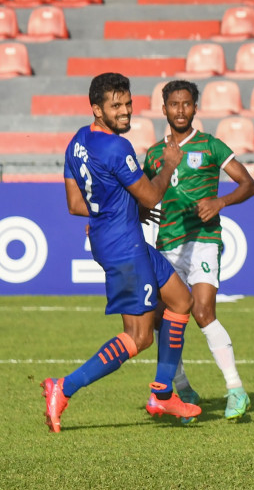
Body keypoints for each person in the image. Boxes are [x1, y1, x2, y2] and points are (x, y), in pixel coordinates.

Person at [43, 73, 203, 432]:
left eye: (128, 103)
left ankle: (162, 395)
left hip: (114, 237)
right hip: (123, 247)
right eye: (116, 106)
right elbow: (150, 196)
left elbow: (75, 203)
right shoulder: (117, 148)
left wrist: (115, 208)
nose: (125, 111)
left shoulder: (77, 142)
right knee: (140, 336)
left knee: (180, 301)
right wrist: (169, 165)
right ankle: (63, 387)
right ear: (97, 108)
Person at [142, 80, 254, 421]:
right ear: (163, 109)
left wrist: (220, 201)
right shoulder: (153, 154)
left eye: (187, 104)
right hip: (167, 244)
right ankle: (182, 387)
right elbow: (143, 195)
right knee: (165, 320)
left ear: (195, 108)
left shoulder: (211, 146)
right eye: (174, 104)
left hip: (203, 240)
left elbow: (249, 184)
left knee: (203, 311)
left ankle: (235, 389)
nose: (180, 110)